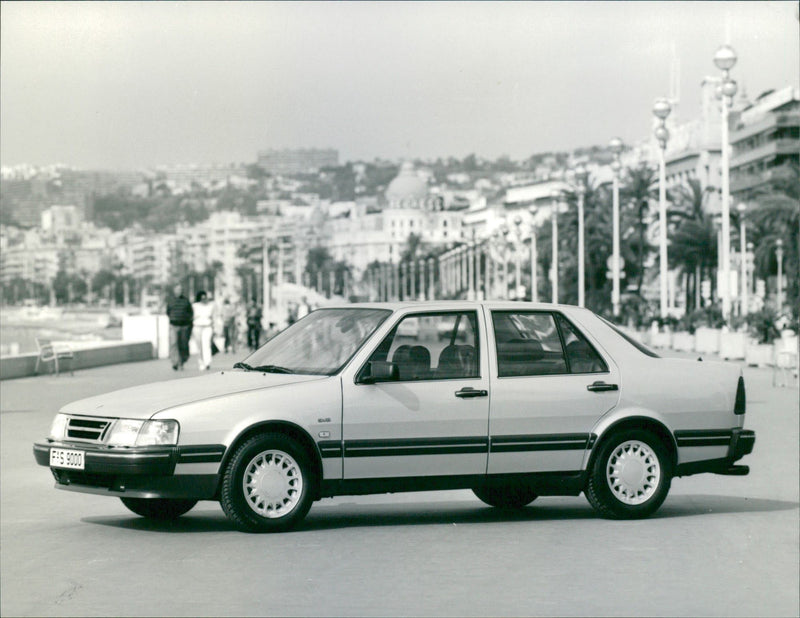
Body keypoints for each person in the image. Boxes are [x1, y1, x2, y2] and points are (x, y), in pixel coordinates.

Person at [166, 284, 193, 370]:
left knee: (183, 344)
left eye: (181, 290)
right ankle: (175, 362)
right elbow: (168, 312)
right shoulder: (170, 301)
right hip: (174, 326)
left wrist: (188, 323)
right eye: (178, 289)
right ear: (174, 291)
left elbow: (190, 313)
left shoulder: (186, 301)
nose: (180, 291)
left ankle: (182, 361)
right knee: (174, 344)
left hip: (184, 326)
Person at [192, 290, 215, 370]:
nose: (204, 300)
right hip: (197, 326)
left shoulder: (210, 306)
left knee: (206, 344)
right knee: (199, 346)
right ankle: (201, 362)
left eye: (205, 298)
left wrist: (214, 327)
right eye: (202, 298)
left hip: (207, 327)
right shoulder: (194, 306)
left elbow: (213, 317)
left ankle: (207, 362)